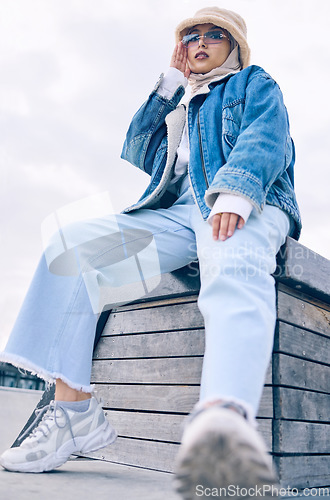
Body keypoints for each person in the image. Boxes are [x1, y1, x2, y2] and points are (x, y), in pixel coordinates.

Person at [0, 5, 301, 497]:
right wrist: (169, 83)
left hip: (246, 197)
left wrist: (238, 191)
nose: (200, 43)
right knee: (70, 247)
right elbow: (139, 148)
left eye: (213, 36)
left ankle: (223, 428)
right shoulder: (185, 102)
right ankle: (74, 414)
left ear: (236, 47)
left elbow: (267, 136)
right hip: (177, 216)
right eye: (191, 38)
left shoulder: (252, 83)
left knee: (233, 260)